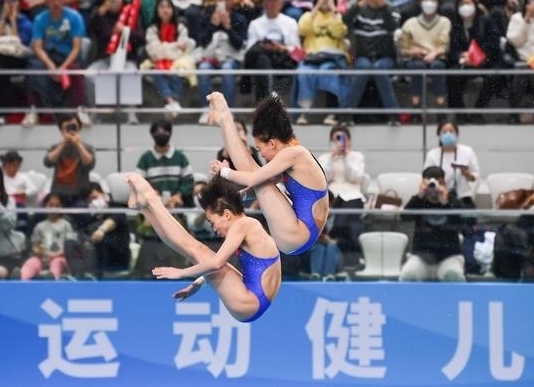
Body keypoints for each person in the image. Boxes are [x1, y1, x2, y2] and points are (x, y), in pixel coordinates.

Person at [129, 172, 281, 323]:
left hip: (249, 302)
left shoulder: (243, 225)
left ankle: (151, 200)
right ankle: (146, 207)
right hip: (254, 300)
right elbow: (223, 266)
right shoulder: (249, 226)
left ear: (226, 214)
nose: (214, 229)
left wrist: (181, 273)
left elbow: (217, 264)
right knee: (198, 250)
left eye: (212, 222)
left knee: (197, 250)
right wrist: (199, 282)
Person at [208, 91, 330, 255]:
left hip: (298, 235)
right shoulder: (294, 153)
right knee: (262, 181)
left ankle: (226, 118)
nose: (262, 155)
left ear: (272, 143)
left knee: (255, 173)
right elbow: (260, 184)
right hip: (302, 233)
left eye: (259, 149)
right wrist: (238, 197)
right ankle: (225, 121)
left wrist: (224, 171)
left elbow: (252, 179)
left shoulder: (293, 153)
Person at [23, 0, 87, 127]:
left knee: (75, 69)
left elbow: (76, 48)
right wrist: (50, 65)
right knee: (33, 69)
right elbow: (38, 47)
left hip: (68, 56)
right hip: (48, 56)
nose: (55, 3)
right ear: (46, 1)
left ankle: (81, 109)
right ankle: (33, 110)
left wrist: (62, 68)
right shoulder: (40, 19)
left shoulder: (75, 17)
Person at [342, 0, 401, 125]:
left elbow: (392, 28)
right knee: (364, 67)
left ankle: (393, 116)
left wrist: (383, 7)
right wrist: (358, 5)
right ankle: (347, 115)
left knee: (379, 69)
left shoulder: (392, 8)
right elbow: (344, 21)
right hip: (362, 56)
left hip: (386, 57)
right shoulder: (359, 8)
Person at [294, 0, 349, 126]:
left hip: (331, 58)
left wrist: (333, 8)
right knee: (304, 73)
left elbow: (339, 32)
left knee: (328, 72)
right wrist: (317, 7)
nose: (325, 0)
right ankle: (304, 113)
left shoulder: (338, 15)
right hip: (311, 58)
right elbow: (302, 30)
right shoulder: (308, 15)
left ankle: (332, 113)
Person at [399, 165, 466, 282]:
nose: (433, 187)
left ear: (444, 183)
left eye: (438, 182)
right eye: (429, 183)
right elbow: (404, 217)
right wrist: (419, 196)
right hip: (421, 257)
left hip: (449, 257)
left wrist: (445, 202)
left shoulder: (453, 202)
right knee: (408, 276)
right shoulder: (418, 201)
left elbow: (464, 224)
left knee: (453, 276)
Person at [194, 0, 248, 124]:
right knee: (203, 68)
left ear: (233, 0)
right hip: (210, 58)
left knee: (227, 69)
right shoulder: (206, 17)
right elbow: (201, 42)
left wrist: (228, 27)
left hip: (231, 58)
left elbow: (239, 45)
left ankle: (226, 111)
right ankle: (207, 110)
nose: (223, 2)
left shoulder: (239, 18)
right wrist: (212, 25)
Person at [446, 0, 503, 124]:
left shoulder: (486, 21)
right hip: (464, 62)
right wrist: (461, 55)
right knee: (452, 75)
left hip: (484, 61)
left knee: (494, 75)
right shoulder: (455, 25)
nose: (465, 6)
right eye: (462, 4)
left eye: (468, 3)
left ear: (475, 5)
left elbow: (493, 44)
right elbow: (452, 50)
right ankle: (460, 113)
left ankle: (478, 112)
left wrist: (477, 57)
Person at [316, 126, 366, 267]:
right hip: (332, 195)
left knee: (348, 222)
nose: (340, 142)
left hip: (352, 194)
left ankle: (349, 256)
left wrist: (346, 158)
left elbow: (355, 177)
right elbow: (323, 178)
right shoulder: (325, 158)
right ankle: (340, 256)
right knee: (342, 221)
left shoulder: (356, 156)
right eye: (336, 139)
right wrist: (332, 157)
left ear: (349, 140)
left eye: (343, 138)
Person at [398, 0, 451, 117]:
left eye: (432, 0)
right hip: (415, 58)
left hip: (437, 57)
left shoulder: (444, 22)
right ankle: (416, 106)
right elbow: (403, 50)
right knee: (418, 67)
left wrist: (434, 53)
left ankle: (440, 106)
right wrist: (413, 52)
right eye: (426, 0)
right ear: (420, 2)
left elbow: (445, 46)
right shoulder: (410, 23)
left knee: (437, 66)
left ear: (438, 3)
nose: (429, 3)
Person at [243, 0, 300, 102]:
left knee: (262, 59)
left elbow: (297, 50)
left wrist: (281, 48)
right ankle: (267, 99)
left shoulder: (290, 22)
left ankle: (263, 101)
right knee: (262, 59)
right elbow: (249, 52)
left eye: (275, 0)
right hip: (262, 60)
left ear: (281, 3)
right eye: (269, 0)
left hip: (283, 59)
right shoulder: (255, 24)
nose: (272, 3)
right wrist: (264, 47)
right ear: (263, 3)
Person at [142, 0, 195, 116]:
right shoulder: (152, 29)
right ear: (157, 10)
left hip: (177, 62)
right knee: (157, 71)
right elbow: (153, 51)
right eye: (162, 7)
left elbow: (180, 53)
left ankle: (171, 103)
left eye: (168, 7)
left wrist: (163, 48)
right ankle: (172, 102)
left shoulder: (181, 28)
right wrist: (175, 45)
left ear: (173, 10)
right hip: (157, 63)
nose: (165, 10)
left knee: (178, 70)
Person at [423, 120, 480, 215]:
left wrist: (467, 174)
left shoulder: (467, 151)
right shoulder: (432, 154)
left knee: (469, 219)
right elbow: (426, 179)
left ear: (457, 134)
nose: (448, 134)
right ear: (439, 135)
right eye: (444, 132)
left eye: (451, 131)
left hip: (462, 197)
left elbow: (475, 177)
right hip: (438, 197)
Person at [135, 119, 194, 209]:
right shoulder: (145, 158)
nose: (161, 135)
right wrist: (151, 193)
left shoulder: (180, 157)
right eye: (158, 133)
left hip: (177, 203)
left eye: (164, 132)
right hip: (152, 204)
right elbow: (138, 181)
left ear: (170, 133)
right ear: (152, 135)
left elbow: (189, 181)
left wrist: (178, 195)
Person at [43, 114, 95, 213]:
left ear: (79, 128)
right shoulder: (55, 147)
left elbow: (90, 165)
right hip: (58, 195)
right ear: (61, 130)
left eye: (74, 127)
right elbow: (47, 162)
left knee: (82, 212)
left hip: (80, 195)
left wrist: (78, 145)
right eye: (67, 128)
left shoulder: (87, 148)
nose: (71, 130)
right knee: (40, 214)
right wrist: (62, 144)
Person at [20, 192, 75, 280]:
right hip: (42, 257)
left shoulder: (66, 225)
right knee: (31, 263)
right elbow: (35, 246)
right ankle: (21, 280)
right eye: (50, 205)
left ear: (61, 207)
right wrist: (42, 253)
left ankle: (52, 281)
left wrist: (54, 255)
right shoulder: (39, 226)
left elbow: (70, 247)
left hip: (61, 258)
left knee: (56, 263)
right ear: (45, 206)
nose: (53, 208)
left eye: (57, 206)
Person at [83, 182, 131, 277]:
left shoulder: (115, 207)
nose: (94, 202)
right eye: (90, 200)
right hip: (98, 263)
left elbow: (114, 220)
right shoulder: (91, 217)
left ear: (103, 194)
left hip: (117, 260)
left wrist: (101, 230)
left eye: (95, 198)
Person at [506, 0, 534, 124]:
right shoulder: (517, 18)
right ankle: (514, 113)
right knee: (521, 70)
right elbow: (515, 41)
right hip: (523, 60)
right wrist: (527, 20)